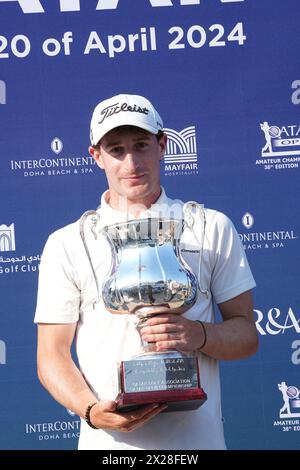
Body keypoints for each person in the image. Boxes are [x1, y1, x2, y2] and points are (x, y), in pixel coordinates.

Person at [34, 93, 258, 450]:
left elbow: (246, 334)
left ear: (162, 145)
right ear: (96, 156)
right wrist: (90, 410)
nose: (131, 162)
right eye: (116, 150)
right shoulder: (66, 242)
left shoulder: (210, 227)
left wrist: (196, 334)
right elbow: (51, 354)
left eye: (141, 145)